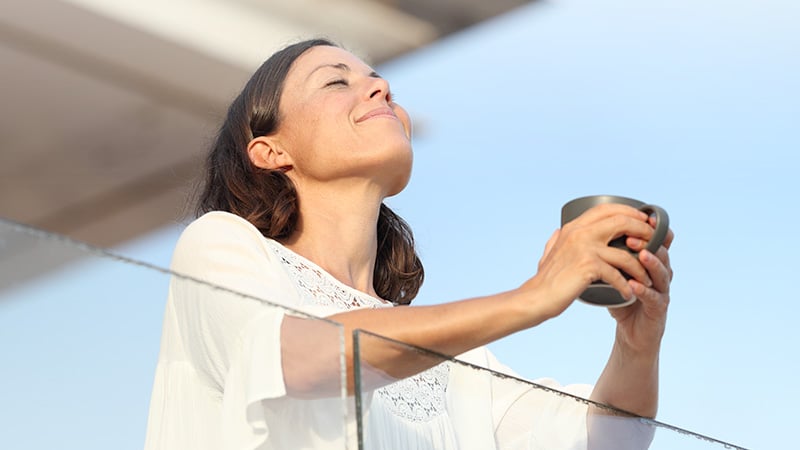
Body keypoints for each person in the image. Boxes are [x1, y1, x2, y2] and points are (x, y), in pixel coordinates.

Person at [143, 38, 674, 450]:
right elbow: (299, 357)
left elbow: (608, 437)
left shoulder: (456, 362)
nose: (381, 90)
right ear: (270, 151)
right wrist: (536, 295)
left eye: (378, 80)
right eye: (336, 82)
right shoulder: (221, 245)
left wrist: (637, 343)